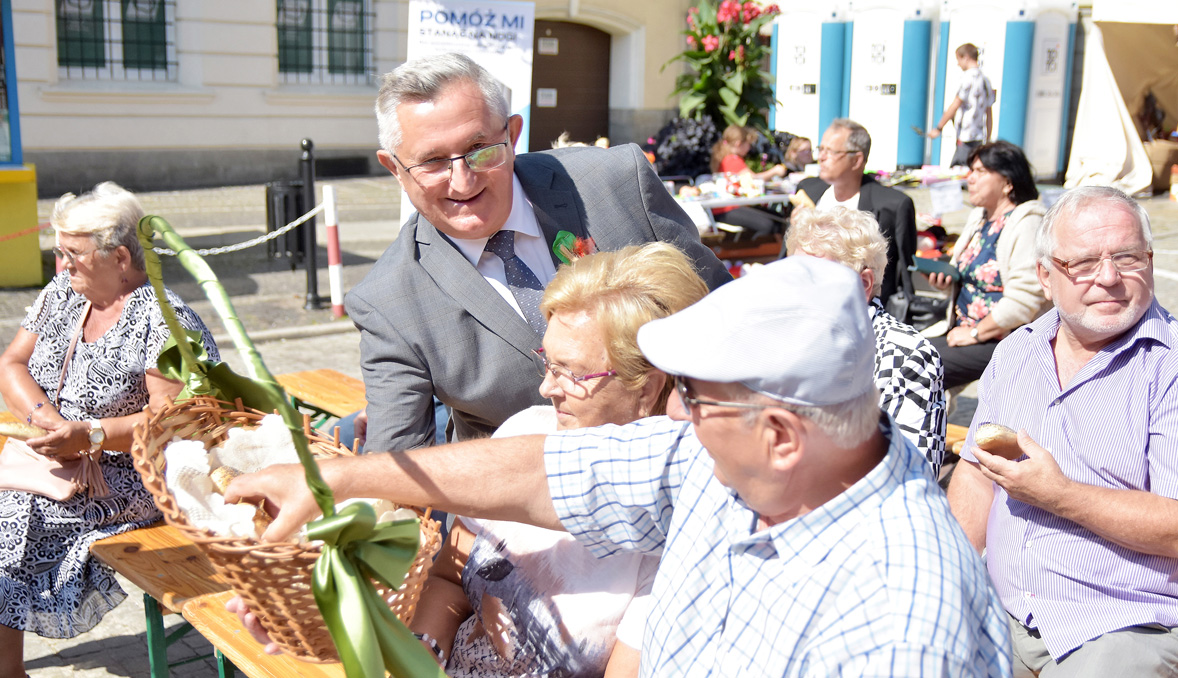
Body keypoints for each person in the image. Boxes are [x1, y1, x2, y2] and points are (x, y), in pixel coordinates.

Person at [228, 255, 1011, 676]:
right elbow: (544, 472)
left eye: (695, 401)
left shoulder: (898, 626)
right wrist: (344, 478)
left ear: (779, 434)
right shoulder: (753, 467)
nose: (677, 418)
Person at [349, 52, 730, 453]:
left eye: (479, 148)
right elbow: (398, 469)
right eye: (432, 162)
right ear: (394, 169)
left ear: (512, 135)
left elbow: (724, 313)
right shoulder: (388, 303)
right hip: (527, 503)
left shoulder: (616, 182)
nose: (461, 181)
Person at [409, 242, 707, 677]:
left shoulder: (673, 523)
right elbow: (447, 581)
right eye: (547, 362)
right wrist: (421, 656)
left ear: (646, 388)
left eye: (571, 372)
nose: (548, 388)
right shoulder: (527, 428)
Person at [947, 186, 1178, 677]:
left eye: (1127, 257)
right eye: (1083, 263)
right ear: (1045, 276)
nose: (1109, 278)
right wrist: (946, 576)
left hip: (1129, 625)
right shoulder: (1018, 351)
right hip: (1005, 611)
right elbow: (978, 474)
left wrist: (1060, 494)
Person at [0, 182, 219, 677]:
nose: (61, 265)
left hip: (137, 476)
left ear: (120, 257)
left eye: (72, 253)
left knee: (8, 517)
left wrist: (90, 434)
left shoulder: (164, 320)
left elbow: (178, 422)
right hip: (63, 457)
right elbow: (11, 362)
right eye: (58, 251)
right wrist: (52, 423)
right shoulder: (63, 293)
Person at [786, 206, 947, 475]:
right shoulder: (783, 338)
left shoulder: (908, 355)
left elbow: (914, 473)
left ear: (862, 284)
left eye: (813, 276)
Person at [926, 141, 1050, 390]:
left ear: (1008, 182)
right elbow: (972, 278)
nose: (970, 178)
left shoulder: (1027, 223)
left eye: (981, 172)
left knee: (917, 366)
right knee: (900, 352)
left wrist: (975, 333)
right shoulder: (979, 218)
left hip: (1004, 337)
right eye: (971, 170)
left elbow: (1024, 301)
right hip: (963, 328)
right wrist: (945, 282)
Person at [795, 118, 917, 305]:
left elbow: (903, 274)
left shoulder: (892, 205)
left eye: (831, 151)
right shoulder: (808, 190)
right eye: (821, 149)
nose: (821, 157)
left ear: (857, 159)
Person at [707, 125, 789, 240]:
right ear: (739, 143)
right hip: (726, 209)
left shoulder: (726, 157)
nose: (749, 148)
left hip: (728, 207)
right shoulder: (732, 159)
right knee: (768, 225)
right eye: (748, 144)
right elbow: (753, 179)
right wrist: (774, 171)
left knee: (776, 219)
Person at [929, 43, 995, 168]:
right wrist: (988, 137)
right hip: (979, 136)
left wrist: (938, 128)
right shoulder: (986, 80)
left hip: (965, 136)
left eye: (958, 59)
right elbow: (989, 112)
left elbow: (955, 105)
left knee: (957, 172)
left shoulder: (967, 78)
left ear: (966, 57)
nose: (958, 64)